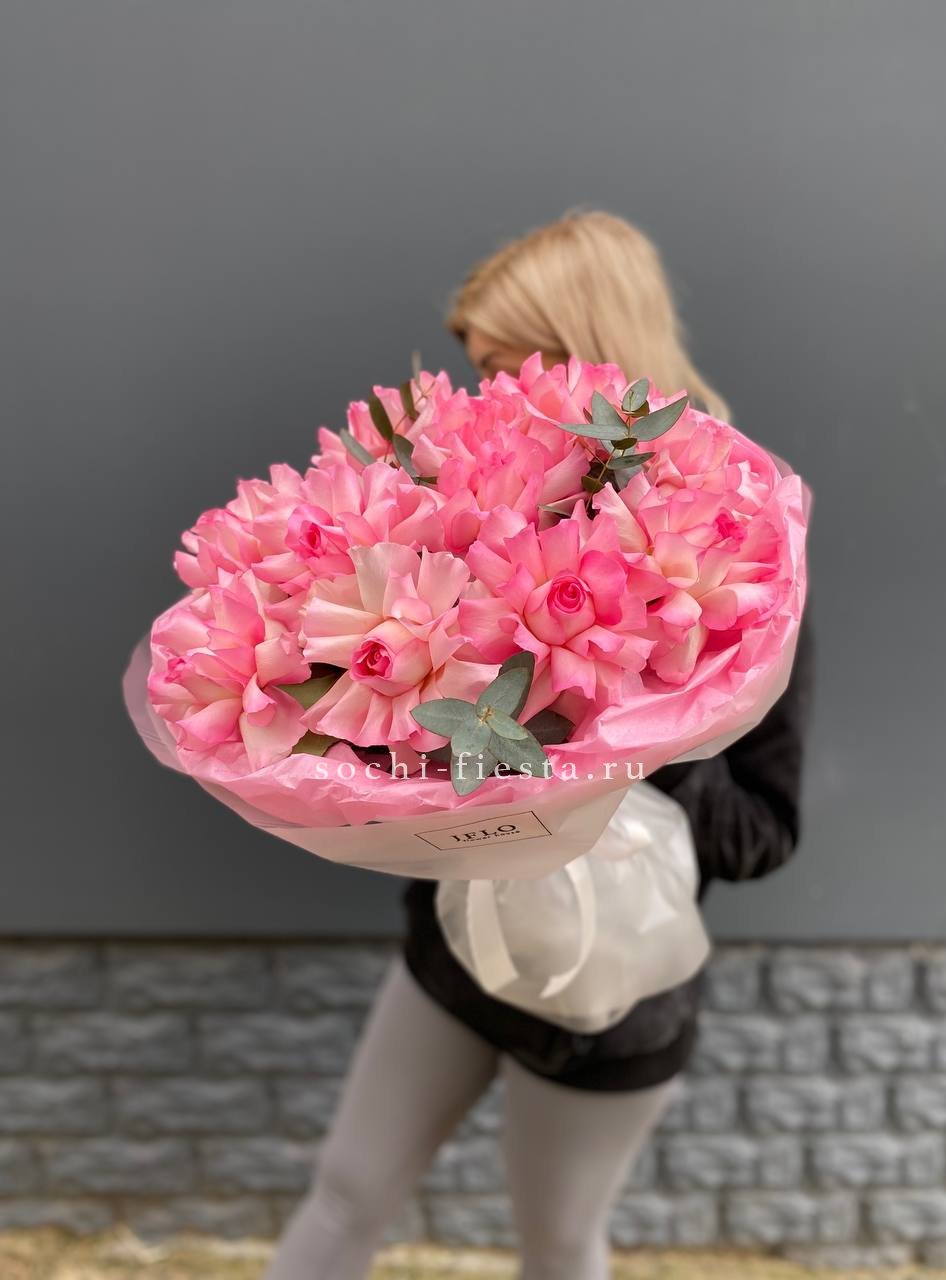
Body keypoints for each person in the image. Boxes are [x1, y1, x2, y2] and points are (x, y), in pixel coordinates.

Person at [264, 210, 815, 1280]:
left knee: (559, 1243)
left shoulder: (744, 555)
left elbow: (766, 829)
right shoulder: (469, 510)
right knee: (346, 1190)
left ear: (583, 353)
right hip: (457, 944)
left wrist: (636, 735)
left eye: (504, 368)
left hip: (614, 991)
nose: (487, 400)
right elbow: (425, 734)